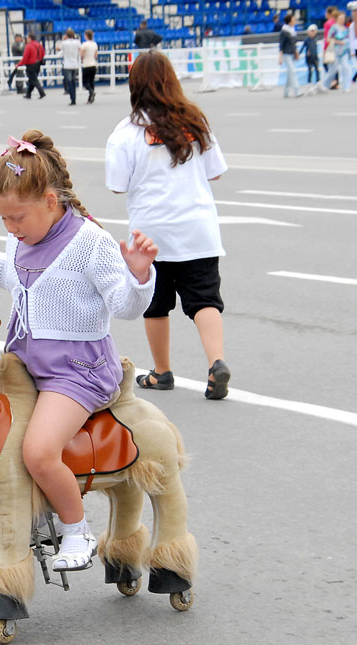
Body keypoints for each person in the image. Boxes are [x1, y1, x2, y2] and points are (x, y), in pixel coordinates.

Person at [0, 131, 157, 572]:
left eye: (16, 217)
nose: (10, 227)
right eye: (2, 218)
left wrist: (139, 277)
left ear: (51, 201)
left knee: (38, 451)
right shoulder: (21, 238)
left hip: (77, 371)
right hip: (24, 364)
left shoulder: (90, 242)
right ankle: (8, 529)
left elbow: (125, 307)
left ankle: (77, 531)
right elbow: (8, 273)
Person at [105, 50, 230, 400]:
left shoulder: (126, 132)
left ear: (135, 86)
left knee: (156, 305)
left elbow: (117, 184)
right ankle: (216, 362)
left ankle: (162, 372)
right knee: (205, 300)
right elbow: (215, 171)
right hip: (198, 230)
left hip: (151, 235)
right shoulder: (194, 121)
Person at [322, 12, 352, 92]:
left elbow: (348, 39)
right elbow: (328, 39)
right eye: (340, 19)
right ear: (337, 19)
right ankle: (325, 85)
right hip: (335, 51)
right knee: (333, 70)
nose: (342, 20)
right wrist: (338, 42)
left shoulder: (346, 28)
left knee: (346, 68)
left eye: (343, 19)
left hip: (344, 52)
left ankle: (346, 86)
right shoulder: (334, 28)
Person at [279, 12, 301, 98]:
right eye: (293, 19)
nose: (295, 21)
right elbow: (281, 44)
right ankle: (297, 90)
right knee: (292, 71)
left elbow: (294, 43)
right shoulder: (284, 31)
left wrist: (296, 52)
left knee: (290, 73)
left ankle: (286, 92)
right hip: (286, 53)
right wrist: (280, 56)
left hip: (292, 52)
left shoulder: (293, 30)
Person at [17, 33, 46, 99]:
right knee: (31, 80)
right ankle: (28, 94)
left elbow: (25, 57)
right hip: (38, 64)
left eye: (27, 38)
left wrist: (19, 64)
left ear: (30, 38)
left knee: (34, 80)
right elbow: (43, 53)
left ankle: (42, 92)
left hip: (30, 65)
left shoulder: (29, 46)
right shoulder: (39, 44)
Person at [59, 28, 81, 105]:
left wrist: (63, 39)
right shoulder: (77, 42)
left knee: (69, 82)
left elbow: (58, 48)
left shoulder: (64, 43)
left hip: (67, 64)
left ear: (66, 35)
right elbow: (80, 49)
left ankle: (72, 98)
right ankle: (74, 97)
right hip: (74, 63)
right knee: (73, 81)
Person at [80, 29, 98, 103]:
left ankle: (91, 92)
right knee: (91, 81)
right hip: (93, 64)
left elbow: (82, 54)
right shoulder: (94, 44)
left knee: (85, 82)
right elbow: (95, 55)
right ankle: (90, 97)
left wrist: (82, 58)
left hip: (86, 65)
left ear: (86, 36)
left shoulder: (84, 44)